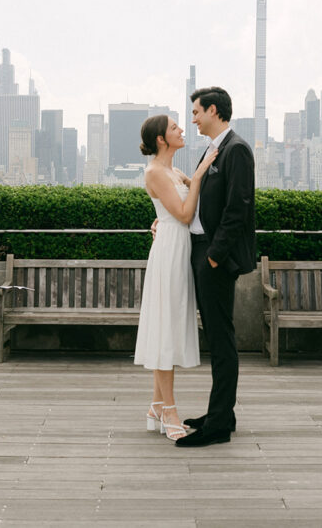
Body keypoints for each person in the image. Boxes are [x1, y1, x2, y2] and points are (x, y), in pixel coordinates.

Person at [175, 86, 256, 448]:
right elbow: (207, 199)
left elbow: (238, 208)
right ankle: (222, 412)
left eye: (196, 112)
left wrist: (214, 256)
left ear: (213, 110)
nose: (192, 119)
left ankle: (219, 425)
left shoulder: (236, 150)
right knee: (216, 336)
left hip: (214, 256)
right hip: (202, 250)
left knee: (222, 340)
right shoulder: (212, 150)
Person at [134, 114, 218, 441]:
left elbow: (182, 212)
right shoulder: (156, 172)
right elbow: (182, 215)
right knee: (165, 328)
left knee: (167, 326)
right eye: (174, 128)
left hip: (177, 248)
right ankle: (169, 410)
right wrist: (197, 176)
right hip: (169, 253)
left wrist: (162, 219)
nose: (181, 130)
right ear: (160, 139)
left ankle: (157, 404)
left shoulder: (173, 172)